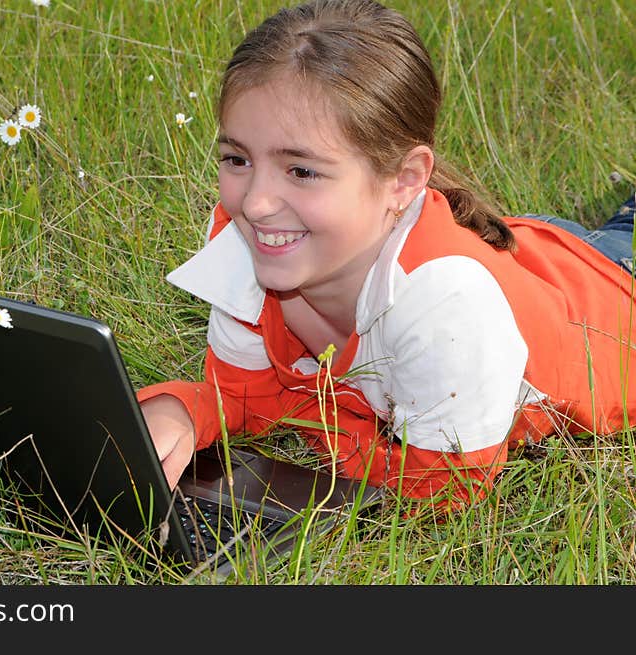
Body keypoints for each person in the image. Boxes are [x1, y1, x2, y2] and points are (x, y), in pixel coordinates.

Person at [136, 0, 636, 508]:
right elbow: (244, 396)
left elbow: (443, 489)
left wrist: (313, 417)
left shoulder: (445, 302)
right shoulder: (245, 241)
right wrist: (183, 410)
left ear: (405, 180)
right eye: (237, 159)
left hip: (611, 288)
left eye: (302, 171)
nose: (256, 203)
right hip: (530, 251)